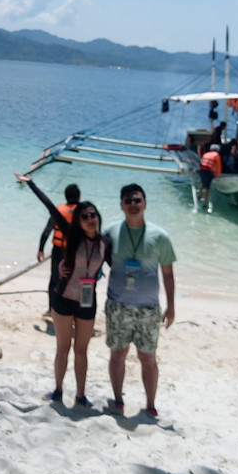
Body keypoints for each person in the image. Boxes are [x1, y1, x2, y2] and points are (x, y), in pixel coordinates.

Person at [16, 174, 108, 408]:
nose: (90, 219)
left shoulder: (105, 243)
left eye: (93, 215)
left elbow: (118, 266)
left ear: (98, 217)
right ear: (78, 220)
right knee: (63, 348)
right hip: (64, 299)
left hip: (87, 302)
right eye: (85, 216)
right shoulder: (71, 236)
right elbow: (50, 207)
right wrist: (30, 183)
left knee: (82, 351)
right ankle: (57, 391)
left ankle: (81, 396)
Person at [103, 183, 176, 418]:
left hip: (149, 308)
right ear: (121, 205)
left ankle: (151, 404)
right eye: (128, 201)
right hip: (118, 305)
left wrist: (171, 307)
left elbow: (167, 273)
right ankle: (118, 400)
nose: (133, 205)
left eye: (137, 200)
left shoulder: (160, 236)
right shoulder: (110, 232)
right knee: (118, 354)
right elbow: (91, 258)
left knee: (148, 358)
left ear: (145, 203)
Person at [35, 182, 81, 315]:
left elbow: (46, 231)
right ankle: (75, 311)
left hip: (58, 250)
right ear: (79, 197)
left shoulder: (59, 210)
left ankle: (51, 309)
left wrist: (40, 249)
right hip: (76, 251)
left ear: (66, 196)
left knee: (54, 280)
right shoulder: (82, 212)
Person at [197, 144, 222, 210]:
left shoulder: (206, 154)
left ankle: (199, 196)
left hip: (202, 170)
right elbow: (218, 166)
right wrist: (217, 175)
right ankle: (205, 203)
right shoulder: (217, 155)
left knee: (202, 182)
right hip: (208, 171)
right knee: (207, 188)